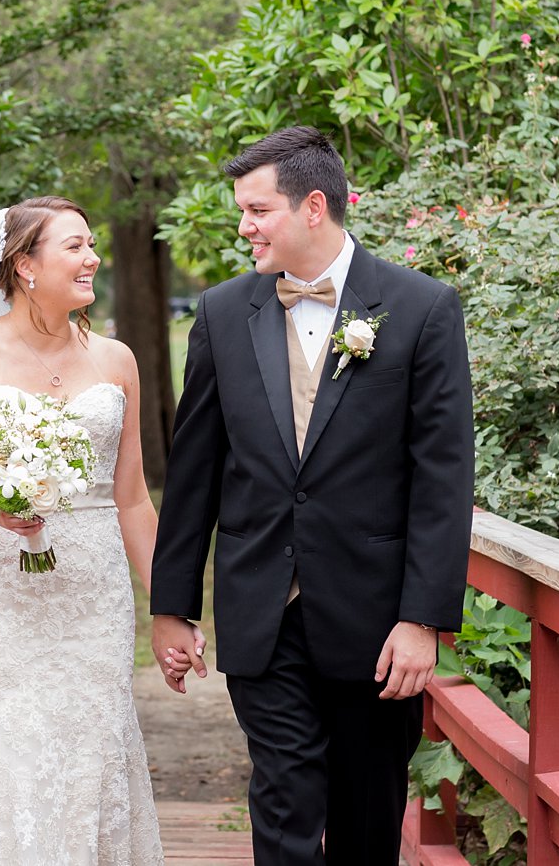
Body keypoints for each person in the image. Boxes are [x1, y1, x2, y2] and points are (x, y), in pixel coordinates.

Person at [150, 127, 475, 865]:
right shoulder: (224, 313)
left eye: (257, 210)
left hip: (375, 623)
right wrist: (172, 607)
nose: (244, 227)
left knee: (366, 824)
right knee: (286, 808)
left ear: (314, 206)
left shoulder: (422, 309)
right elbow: (194, 469)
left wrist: (423, 618)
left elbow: (443, 476)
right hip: (262, 611)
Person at [0, 196, 179, 864]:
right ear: (24, 265)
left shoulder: (116, 359)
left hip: (94, 596)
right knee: (10, 759)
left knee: (92, 754)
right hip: (0, 598)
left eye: (92, 244)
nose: (93, 258)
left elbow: (131, 500)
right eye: (74, 246)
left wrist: (169, 609)